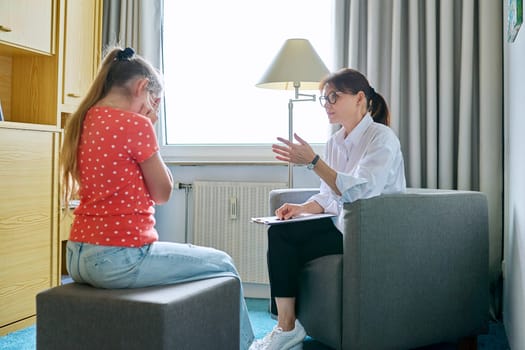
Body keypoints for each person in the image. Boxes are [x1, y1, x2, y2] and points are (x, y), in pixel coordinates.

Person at [60, 47, 254, 350]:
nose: (154, 109)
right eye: (154, 100)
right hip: (119, 259)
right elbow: (163, 193)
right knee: (224, 264)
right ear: (141, 87)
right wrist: (149, 127)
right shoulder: (136, 125)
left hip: (76, 256)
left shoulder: (85, 119)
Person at [250, 68, 406, 350]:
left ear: (360, 98)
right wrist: (301, 209)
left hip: (372, 233)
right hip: (342, 228)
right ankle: (287, 327)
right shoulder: (335, 142)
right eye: (324, 99)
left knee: (287, 237)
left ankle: (289, 327)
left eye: (334, 97)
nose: (327, 105)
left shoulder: (381, 138)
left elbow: (362, 190)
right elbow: (329, 196)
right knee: (280, 232)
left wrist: (314, 162)